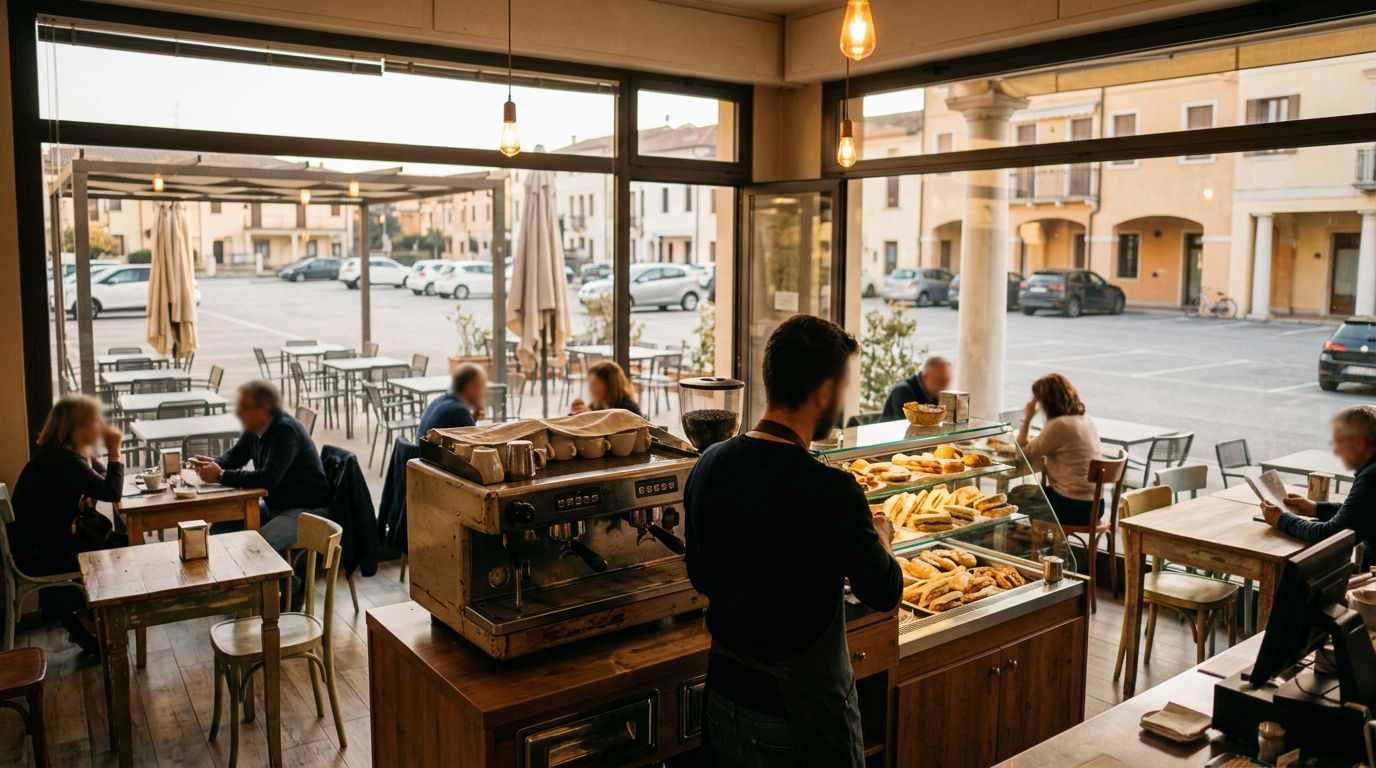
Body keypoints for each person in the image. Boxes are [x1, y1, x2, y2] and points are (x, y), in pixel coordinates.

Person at [685, 315, 902, 768]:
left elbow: (700, 574)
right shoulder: (834, 491)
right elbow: (884, 591)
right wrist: (881, 535)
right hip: (799, 717)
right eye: (842, 388)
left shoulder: (709, 464)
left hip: (724, 699)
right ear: (824, 392)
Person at [10, 395, 129, 653]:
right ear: (76, 426)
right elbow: (112, 491)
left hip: (44, 541)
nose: (99, 426)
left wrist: (98, 457)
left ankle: (85, 617)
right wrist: (115, 451)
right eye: (93, 421)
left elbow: (102, 479)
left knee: (123, 542)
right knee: (121, 549)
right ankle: (93, 620)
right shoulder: (60, 459)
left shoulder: (66, 453)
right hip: (38, 552)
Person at [194, 380, 331, 554]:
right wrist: (214, 464)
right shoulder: (255, 428)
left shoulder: (285, 431)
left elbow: (268, 478)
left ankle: (292, 582)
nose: (239, 412)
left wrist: (221, 475)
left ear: (265, 409)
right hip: (276, 507)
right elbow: (236, 455)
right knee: (222, 526)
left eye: (245, 407)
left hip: (306, 512)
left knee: (256, 550)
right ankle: (230, 579)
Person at [1262, 405, 1376, 565]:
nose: (1336, 451)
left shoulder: (1371, 477)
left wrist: (1282, 520)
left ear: (1359, 442)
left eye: (1339, 442)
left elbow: (1330, 535)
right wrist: (1317, 508)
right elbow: (1360, 514)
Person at [1014, 373, 1102, 526]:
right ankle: (1043, 541)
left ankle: (1027, 545)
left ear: (1046, 402)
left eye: (1038, 400)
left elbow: (1022, 454)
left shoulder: (1059, 425)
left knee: (1014, 498)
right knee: (1029, 494)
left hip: (1071, 506)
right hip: (1096, 506)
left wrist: (1027, 418)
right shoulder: (1085, 418)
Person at [418, 363, 487, 434]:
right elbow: (474, 442)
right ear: (470, 387)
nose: (484, 392)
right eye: (482, 387)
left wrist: (473, 417)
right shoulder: (459, 412)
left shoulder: (439, 400)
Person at [880, 355, 952, 421]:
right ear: (925, 376)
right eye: (941, 381)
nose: (945, 387)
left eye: (947, 381)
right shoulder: (903, 391)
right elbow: (910, 426)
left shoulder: (934, 395)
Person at [570, 360, 642, 417]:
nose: (590, 388)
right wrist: (575, 416)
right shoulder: (597, 406)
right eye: (589, 383)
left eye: (594, 384)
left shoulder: (628, 410)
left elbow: (609, 431)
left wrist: (590, 417)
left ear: (610, 385)